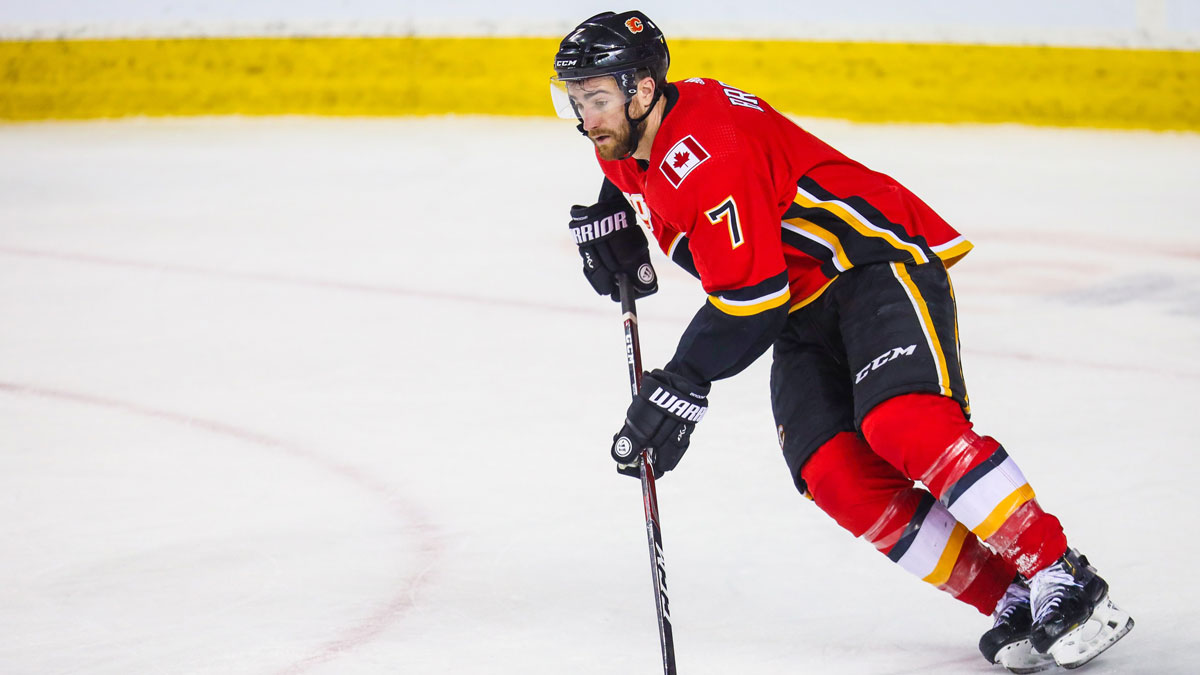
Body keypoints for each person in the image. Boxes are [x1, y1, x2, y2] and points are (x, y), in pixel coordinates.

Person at [551, 10, 1134, 673]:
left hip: (871, 264)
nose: (585, 115)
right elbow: (647, 185)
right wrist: (611, 208)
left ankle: (1061, 573)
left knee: (902, 420)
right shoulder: (632, 134)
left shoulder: (707, 151)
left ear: (644, 89)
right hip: (803, 307)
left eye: (596, 97)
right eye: (574, 98)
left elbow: (751, 300)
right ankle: (1014, 596)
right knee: (831, 469)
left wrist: (683, 380)